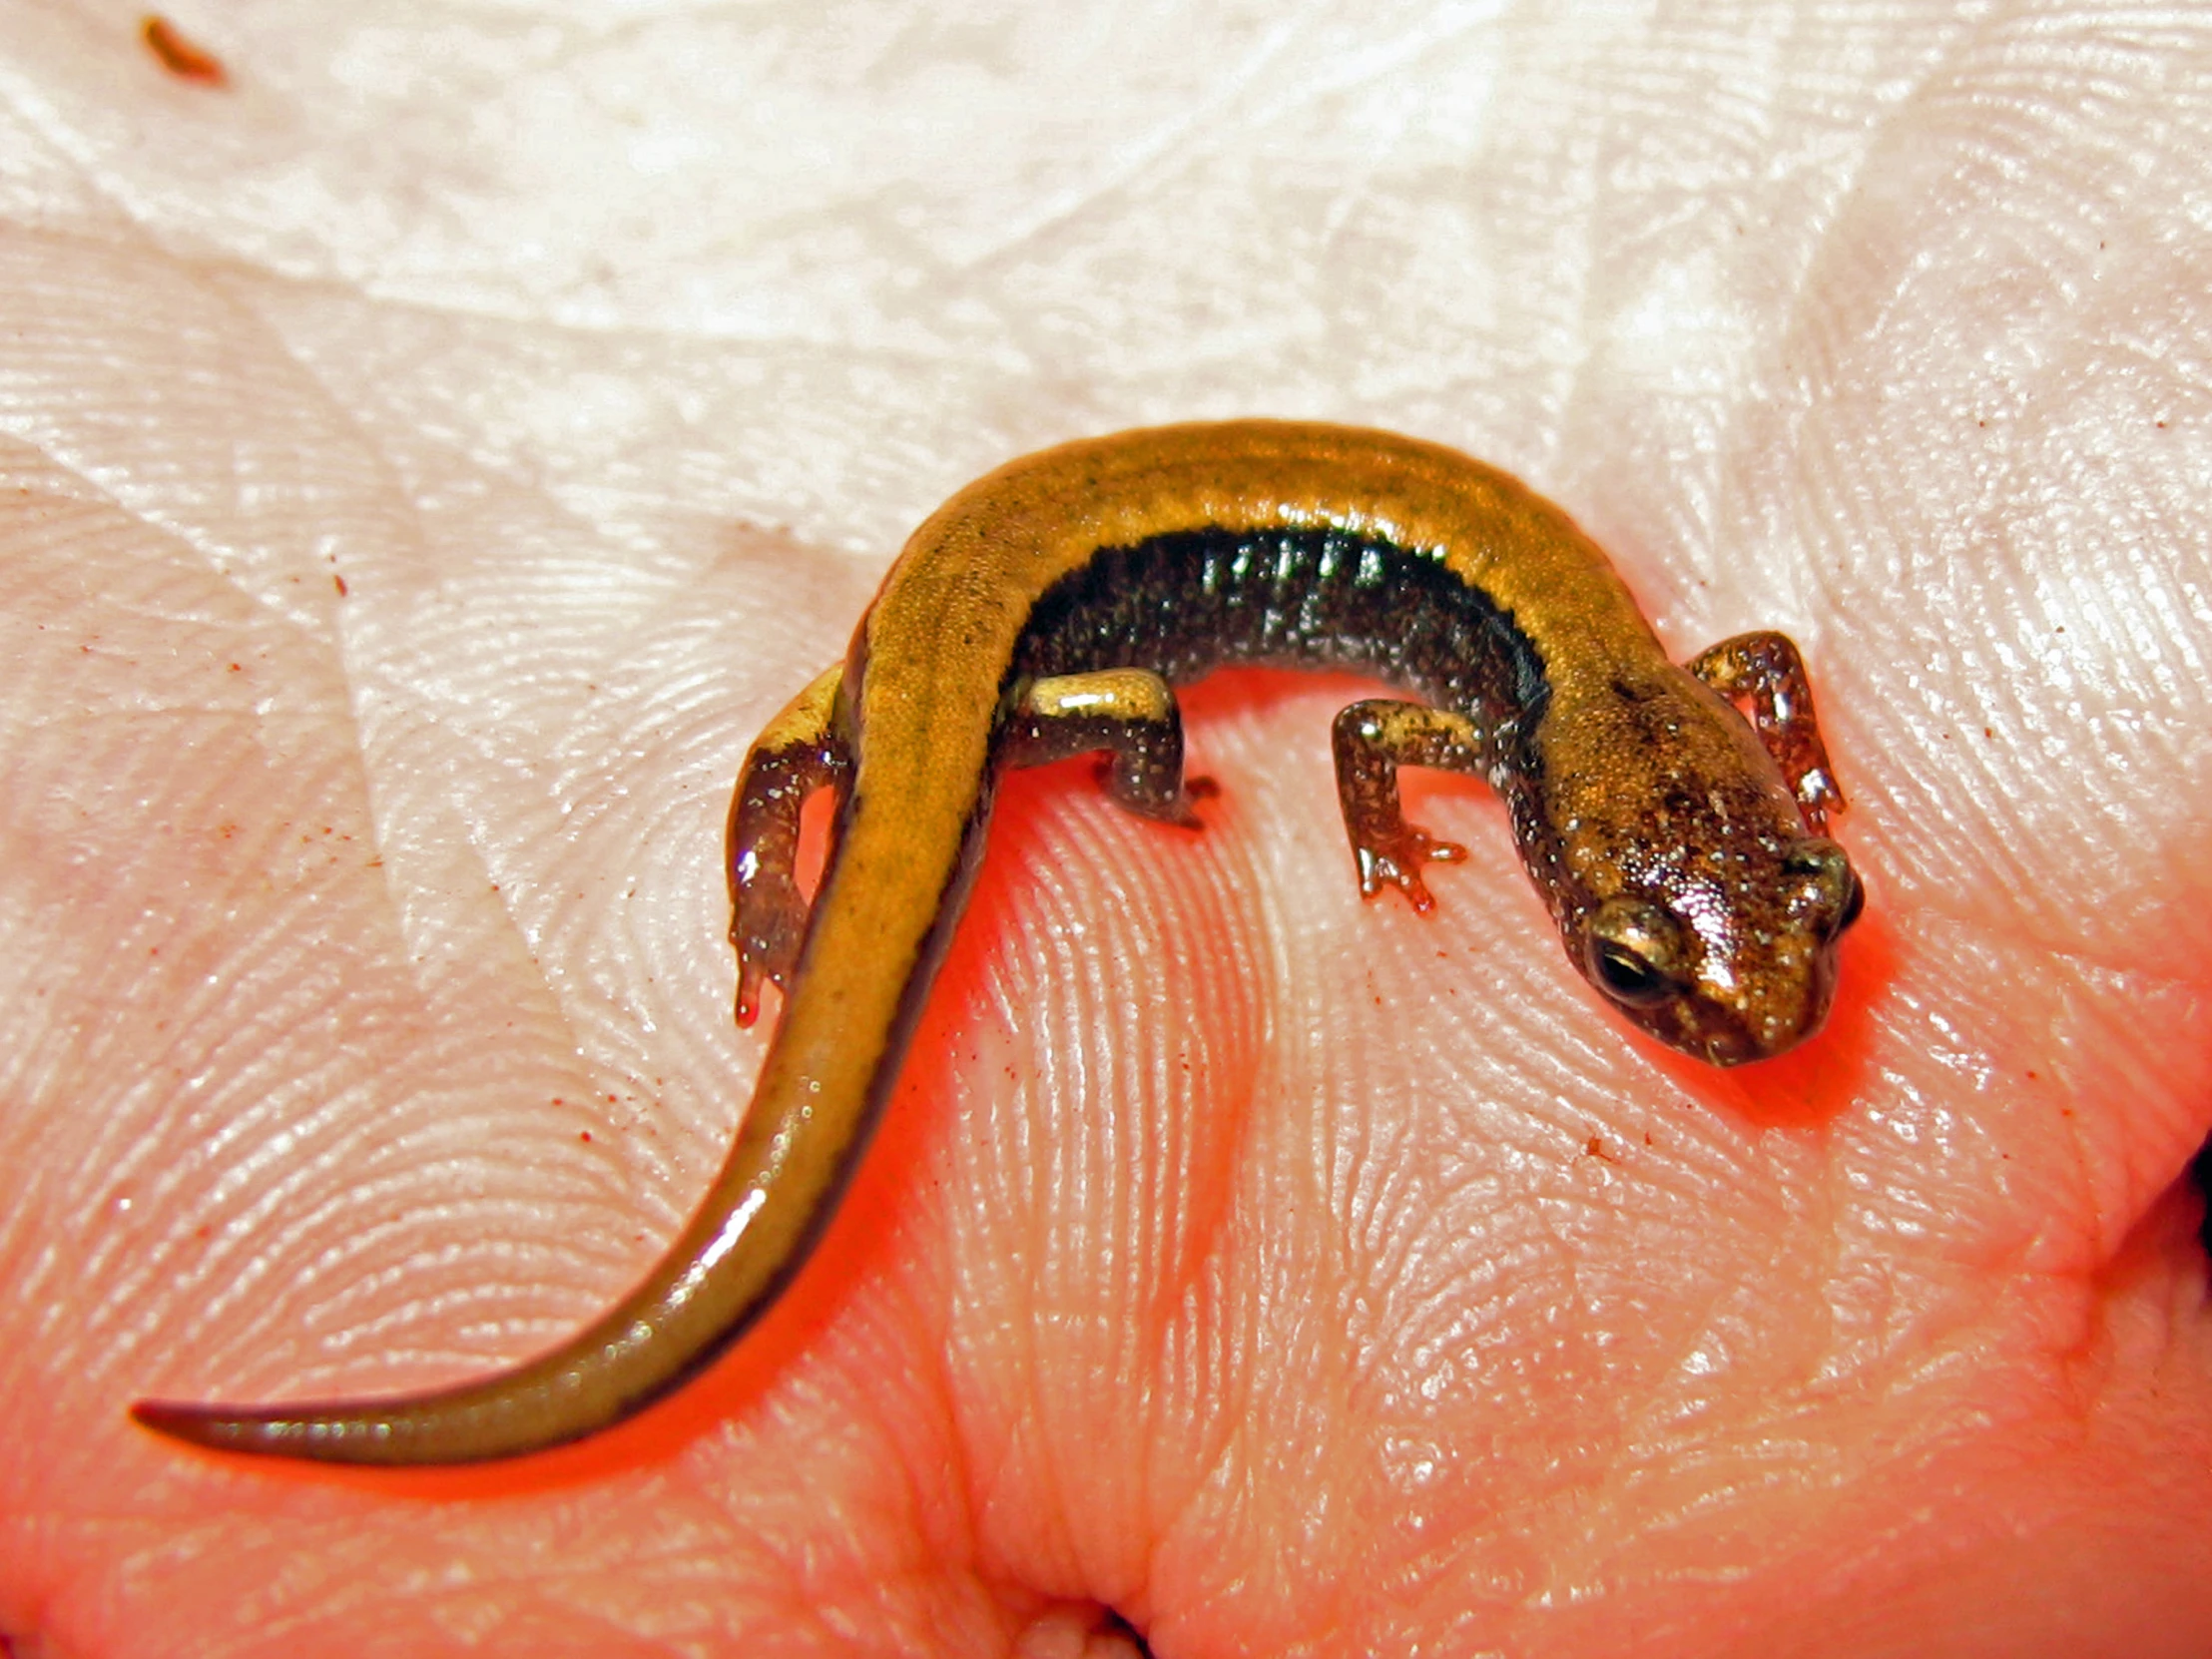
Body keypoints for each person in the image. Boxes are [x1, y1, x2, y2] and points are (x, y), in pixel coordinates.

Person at [4, 2, 2206, 1651]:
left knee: (905, 741)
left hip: (986, 633)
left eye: (1781, 900)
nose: (1745, 994)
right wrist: (1236, 808)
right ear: (1549, 810)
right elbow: (1421, 741)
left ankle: (804, 914)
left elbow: (1730, 690)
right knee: (1079, 708)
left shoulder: (1587, 714)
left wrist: (1745, 810)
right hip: (1017, 641)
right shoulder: (1522, 718)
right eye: (1646, 968)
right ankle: (832, 911)